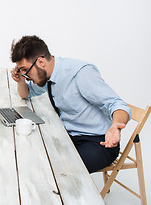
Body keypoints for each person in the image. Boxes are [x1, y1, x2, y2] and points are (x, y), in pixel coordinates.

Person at [10, 35, 131, 173]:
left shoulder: (80, 73)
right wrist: (20, 80)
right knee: (33, 154)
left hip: (99, 142)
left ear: (41, 62)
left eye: (25, 70)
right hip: (70, 137)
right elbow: (27, 93)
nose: (26, 75)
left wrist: (115, 126)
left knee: (61, 171)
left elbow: (117, 105)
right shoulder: (47, 74)